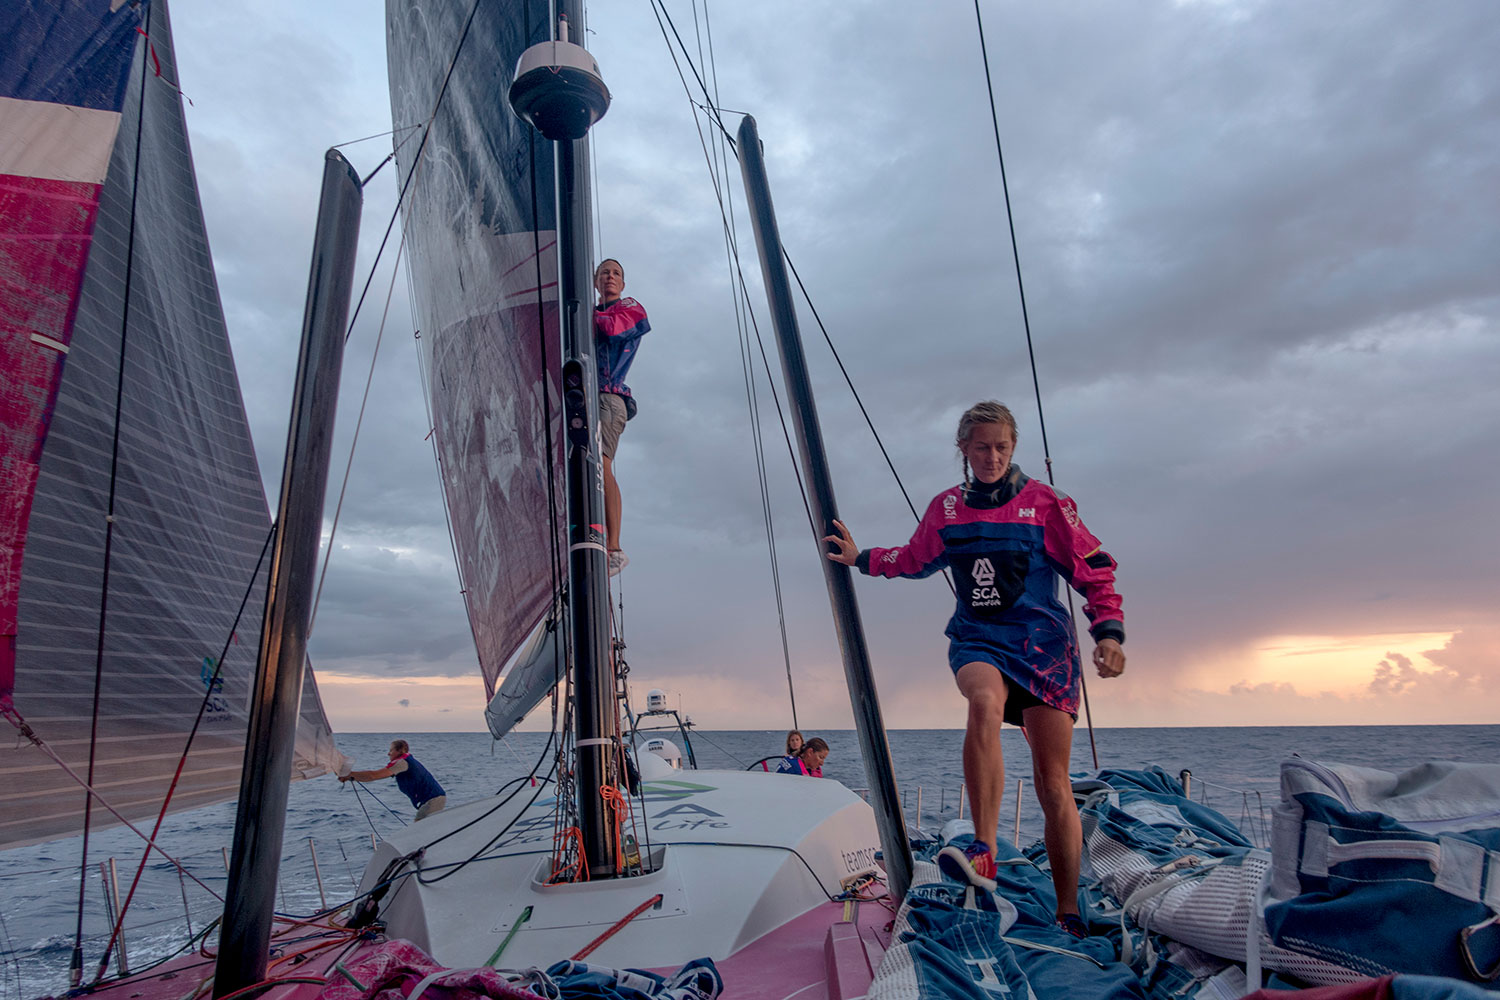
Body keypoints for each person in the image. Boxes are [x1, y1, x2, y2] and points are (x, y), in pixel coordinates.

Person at [824, 400, 1125, 939]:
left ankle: (1068, 910)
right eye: (981, 446)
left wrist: (1108, 633)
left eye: (1002, 447)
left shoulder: (1047, 503)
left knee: (1053, 785)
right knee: (983, 700)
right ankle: (983, 850)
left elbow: (1094, 568)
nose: (991, 457)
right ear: (963, 449)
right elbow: (914, 559)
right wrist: (860, 556)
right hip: (978, 639)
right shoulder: (947, 509)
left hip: (1045, 650)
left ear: (1014, 449)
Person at [593, 258, 650, 577]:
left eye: (615, 273)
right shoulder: (590, 313)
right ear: (595, 281)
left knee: (601, 464)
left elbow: (613, 331)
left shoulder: (629, 308)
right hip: (582, 397)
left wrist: (580, 313)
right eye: (604, 273)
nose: (610, 277)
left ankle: (615, 548)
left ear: (623, 284)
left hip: (610, 398)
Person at [339, 739, 448, 820]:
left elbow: (373, 775)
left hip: (432, 800)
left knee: (419, 832)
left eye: (391, 750)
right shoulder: (405, 762)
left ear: (399, 751)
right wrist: (350, 776)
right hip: (434, 799)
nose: (388, 753)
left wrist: (349, 775)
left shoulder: (402, 763)